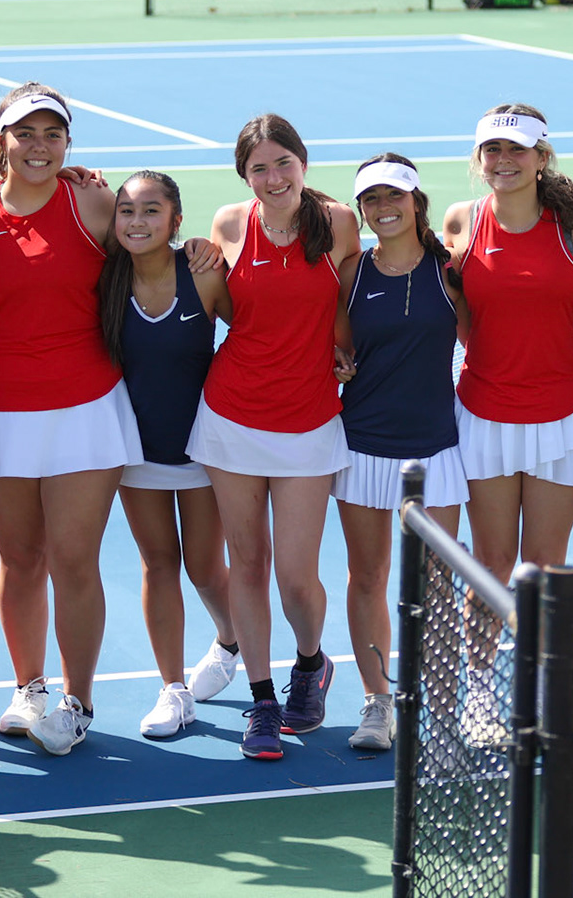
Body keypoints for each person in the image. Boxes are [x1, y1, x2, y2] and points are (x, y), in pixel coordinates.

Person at [0, 84, 139, 757]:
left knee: (72, 558)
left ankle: (76, 701)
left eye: (51, 134)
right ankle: (27, 686)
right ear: (1, 139)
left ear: (68, 143)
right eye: (23, 133)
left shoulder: (91, 199)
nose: (38, 146)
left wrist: (203, 254)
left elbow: (152, 242)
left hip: (85, 405)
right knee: (20, 557)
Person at [191, 114, 361, 760]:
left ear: (303, 163)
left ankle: (311, 663)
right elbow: (235, 312)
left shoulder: (340, 223)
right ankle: (262, 702)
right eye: (258, 167)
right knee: (249, 564)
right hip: (232, 416)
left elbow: (346, 303)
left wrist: (344, 352)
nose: (272, 177)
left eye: (282, 162)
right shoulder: (230, 225)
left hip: (310, 421)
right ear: (244, 176)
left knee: (295, 576)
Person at [444, 103, 573, 735]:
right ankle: (480, 691)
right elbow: (458, 314)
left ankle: (538, 687)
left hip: (562, 414)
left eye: (517, 151)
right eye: (492, 151)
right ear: (479, 160)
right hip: (484, 412)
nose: (504, 162)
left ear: (542, 158)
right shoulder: (462, 221)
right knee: (488, 559)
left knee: (543, 563)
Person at [98, 171, 241, 740]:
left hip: (203, 446)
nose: (138, 222)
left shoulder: (204, 275)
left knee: (204, 566)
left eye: (152, 211)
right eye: (127, 211)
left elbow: (256, 333)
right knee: (159, 562)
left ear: (176, 221)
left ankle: (230, 642)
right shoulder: (105, 278)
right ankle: (173, 689)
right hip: (136, 447)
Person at [335, 153, 468, 752]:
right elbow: (334, 346)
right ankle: (377, 703)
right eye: (371, 200)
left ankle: (440, 707)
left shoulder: (451, 272)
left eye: (395, 197)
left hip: (436, 448)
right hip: (363, 445)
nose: (383, 208)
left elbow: (487, 336)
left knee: (438, 584)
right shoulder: (350, 273)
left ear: (417, 202)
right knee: (368, 576)